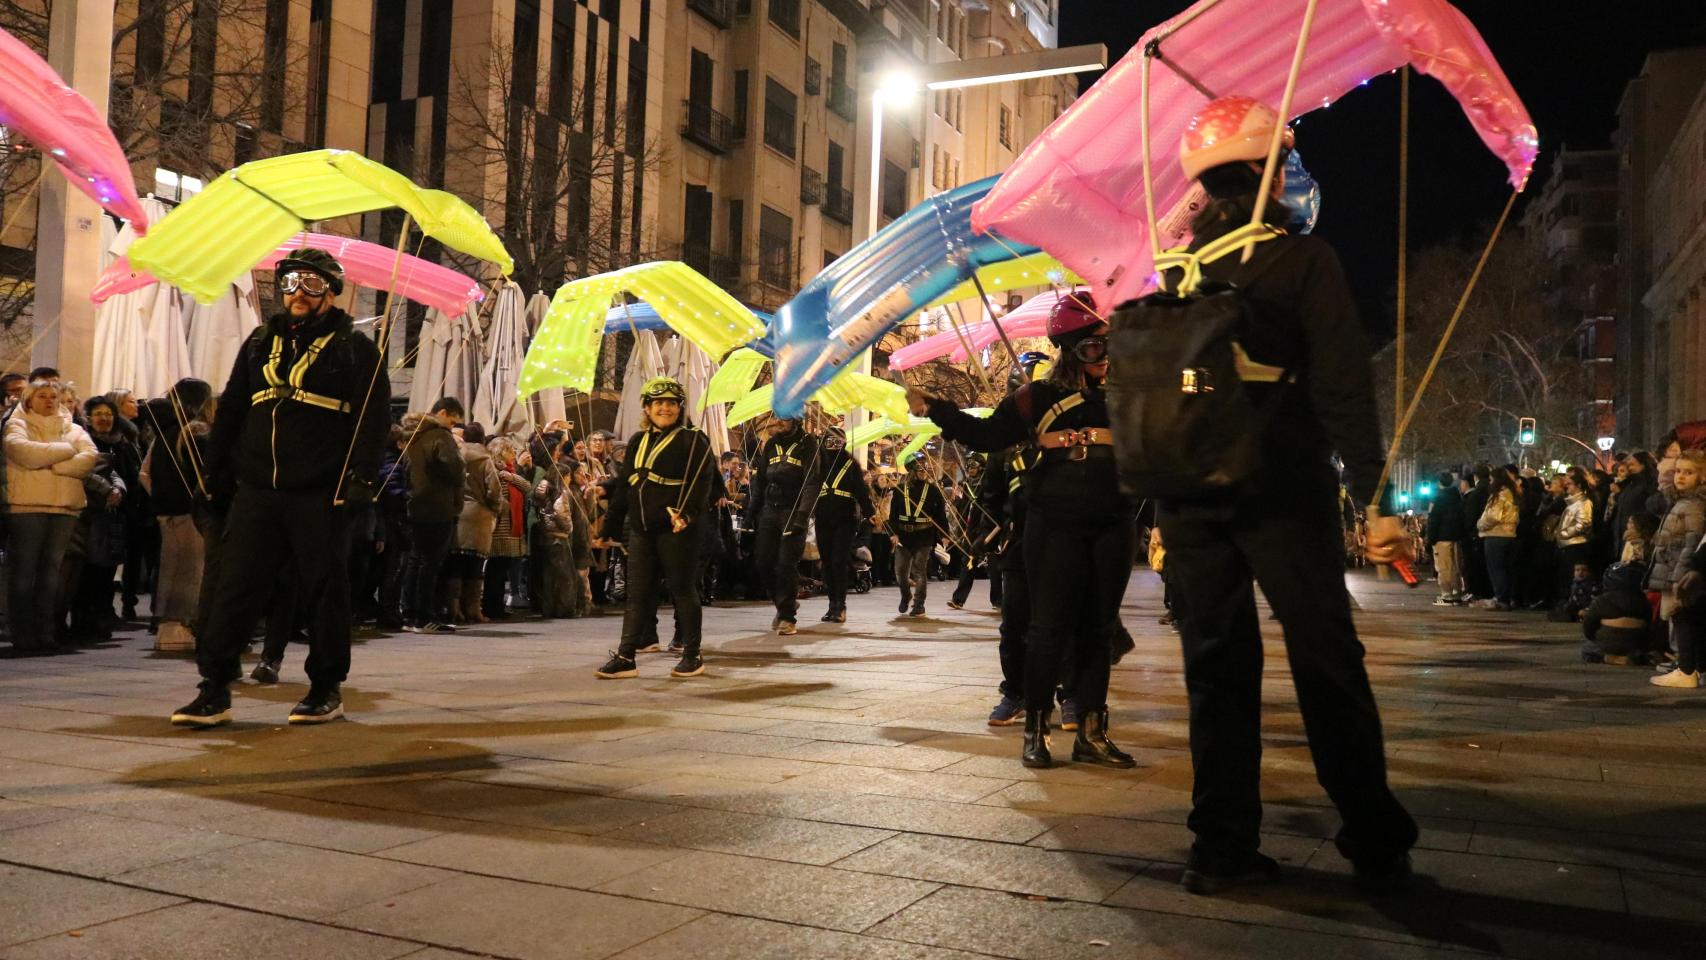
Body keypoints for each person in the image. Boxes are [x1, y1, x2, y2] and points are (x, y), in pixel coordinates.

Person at [1137, 97, 1416, 894]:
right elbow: (1342, 394)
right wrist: (1376, 498)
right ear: (1267, 173)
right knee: (1327, 661)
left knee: (1216, 668)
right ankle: (1370, 833)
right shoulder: (1303, 261)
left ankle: (1220, 845)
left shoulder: (1173, 270)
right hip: (1281, 491)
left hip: (1189, 502)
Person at [911, 293, 1136, 776]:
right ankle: (1036, 731)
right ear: (1070, 350)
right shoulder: (1035, 397)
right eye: (1094, 348)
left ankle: (1093, 734)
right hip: (1052, 523)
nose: (1105, 358)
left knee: (1097, 630)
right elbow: (987, 435)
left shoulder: (1128, 393)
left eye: (1109, 346)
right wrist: (939, 409)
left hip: (1113, 523)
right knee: (1047, 629)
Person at [169, 248, 389, 727]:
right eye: (289, 284)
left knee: (323, 588)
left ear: (331, 290)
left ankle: (326, 687)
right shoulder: (257, 342)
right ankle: (214, 687)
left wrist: (360, 480)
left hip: (319, 491)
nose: (297, 294)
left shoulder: (354, 347)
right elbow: (230, 413)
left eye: (311, 285)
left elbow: (372, 422)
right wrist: (214, 473)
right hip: (257, 490)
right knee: (235, 587)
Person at [594, 377, 716, 679]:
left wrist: (688, 515)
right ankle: (626, 656)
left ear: (680, 408)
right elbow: (625, 486)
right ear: (647, 407)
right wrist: (607, 528)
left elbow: (704, 484)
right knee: (637, 594)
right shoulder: (637, 440)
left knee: (682, 590)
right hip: (641, 529)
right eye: (658, 403)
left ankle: (692, 654)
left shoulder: (693, 439)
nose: (665, 408)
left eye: (671, 403)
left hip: (677, 529)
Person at [981, 349, 1052, 726]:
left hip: (1060, 540)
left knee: (1060, 621)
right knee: (1014, 624)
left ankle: (1068, 693)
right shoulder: (1003, 444)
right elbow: (989, 492)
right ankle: (1015, 692)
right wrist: (995, 532)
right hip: (1017, 542)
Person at [3, 380, 98, 651]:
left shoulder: (74, 427)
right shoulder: (17, 424)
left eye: (53, 397)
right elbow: (23, 452)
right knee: (24, 571)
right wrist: (67, 452)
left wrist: (50, 463)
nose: (49, 401)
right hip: (27, 506)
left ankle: (46, 632)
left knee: (51, 574)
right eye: (42, 396)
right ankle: (22, 633)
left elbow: (89, 457)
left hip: (65, 507)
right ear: (30, 399)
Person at [140, 380, 216, 651]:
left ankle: (169, 627)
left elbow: (145, 473)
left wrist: (160, 497)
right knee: (190, 571)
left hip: (168, 510)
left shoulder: (165, 432)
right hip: (189, 511)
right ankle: (179, 626)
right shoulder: (194, 432)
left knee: (174, 569)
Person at [749, 415, 825, 636]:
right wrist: (750, 514)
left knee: (786, 563)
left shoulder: (807, 443)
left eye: (785, 417)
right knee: (763, 561)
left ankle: (786, 616)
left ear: (797, 418)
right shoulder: (772, 444)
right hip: (770, 510)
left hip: (793, 510)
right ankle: (784, 602)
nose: (779, 422)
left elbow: (812, 482)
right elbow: (761, 481)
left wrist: (802, 516)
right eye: (778, 416)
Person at [1648, 451, 1706, 687]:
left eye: (1688, 472)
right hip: (1672, 568)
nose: (1681, 476)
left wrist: (1679, 574)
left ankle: (1686, 668)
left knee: (1682, 617)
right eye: (1678, 471)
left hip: (1678, 572)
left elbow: (1692, 542)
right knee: (1679, 617)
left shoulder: (1692, 505)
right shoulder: (1678, 501)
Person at [813, 429, 874, 623]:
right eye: (828, 442)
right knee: (827, 562)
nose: (832, 446)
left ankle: (840, 605)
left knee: (839, 561)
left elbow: (861, 491)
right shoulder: (817, 465)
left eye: (836, 442)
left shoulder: (851, 465)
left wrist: (870, 512)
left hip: (845, 519)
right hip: (823, 518)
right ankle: (832, 604)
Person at [884, 453, 949, 618]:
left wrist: (944, 535)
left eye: (925, 466)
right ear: (911, 469)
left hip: (924, 536)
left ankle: (919, 605)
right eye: (919, 466)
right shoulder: (899, 490)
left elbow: (940, 515)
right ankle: (906, 595)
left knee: (919, 571)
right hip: (903, 536)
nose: (924, 470)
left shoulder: (934, 491)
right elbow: (892, 516)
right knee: (900, 571)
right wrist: (893, 534)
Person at [449, 422, 501, 623]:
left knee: (455, 565)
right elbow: (494, 490)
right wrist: (496, 507)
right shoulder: (485, 460)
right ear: (481, 439)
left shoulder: (455, 456)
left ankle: (454, 608)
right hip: (479, 516)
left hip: (457, 513)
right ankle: (473, 609)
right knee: (475, 565)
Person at [1581, 561, 1654, 664]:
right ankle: (1634, 657)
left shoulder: (1602, 600)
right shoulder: (1643, 601)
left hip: (1608, 643)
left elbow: (1589, 625)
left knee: (1587, 648)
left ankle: (1608, 658)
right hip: (1635, 642)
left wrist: (1593, 636)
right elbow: (1648, 622)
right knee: (1642, 649)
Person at [1475, 468, 1520, 610]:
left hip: (1496, 535)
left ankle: (1501, 598)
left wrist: (1480, 524)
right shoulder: (1512, 495)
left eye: (1492, 479)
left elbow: (1493, 516)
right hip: (1509, 535)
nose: (1490, 482)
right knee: (1507, 569)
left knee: (1496, 569)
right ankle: (1508, 597)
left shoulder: (1499, 496)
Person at [1426, 471, 1467, 605]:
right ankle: (1457, 592)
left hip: (1441, 537)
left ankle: (1446, 595)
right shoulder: (1458, 498)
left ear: (1439, 483)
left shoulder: (1438, 499)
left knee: (1444, 567)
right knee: (1455, 566)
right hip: (1456, 537)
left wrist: (1430, 539)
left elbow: (1433, 521)